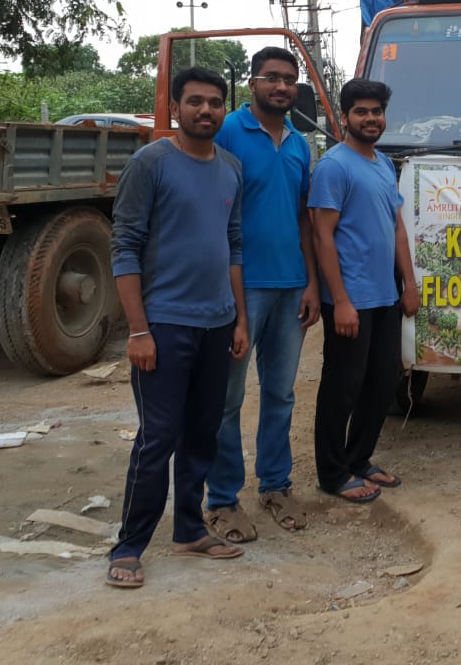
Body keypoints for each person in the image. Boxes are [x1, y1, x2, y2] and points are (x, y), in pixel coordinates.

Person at [105, 67, 250, 588]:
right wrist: (137, 331)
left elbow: (233, 244)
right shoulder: (150, 164)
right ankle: (129, 546)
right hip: (164, 325)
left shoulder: (231, 169)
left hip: (217, 325)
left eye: (214, 102)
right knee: (158, 438)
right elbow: (124, 246)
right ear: (175, 107)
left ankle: (189, 530)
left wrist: (239, 318)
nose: (205, 110)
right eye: (194, 102)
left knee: (202, 434)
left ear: (223, 109)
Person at [205, 47, 320, 543]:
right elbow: (212, 209)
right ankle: (222, 499)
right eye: (272, 77)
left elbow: (303, 218)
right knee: (227, 399)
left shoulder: (298, 143)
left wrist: (312, 281)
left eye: (289, 80)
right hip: (242, 287)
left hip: (291, 286)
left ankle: (275, 486)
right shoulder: (229, 131)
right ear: (252, 83)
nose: (281, 86)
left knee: (280, 393)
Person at [309, 78, 419, 503]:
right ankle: (332, 473)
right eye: (362, 112)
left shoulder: (383, 164)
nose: (371, 119)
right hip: (350, 300)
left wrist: (409, 284)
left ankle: (359, 459)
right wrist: (340, 301)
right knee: (342, 388)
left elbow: (397, 229)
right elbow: (322, 236)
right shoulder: (334, 167)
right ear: (345, 117)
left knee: (381, 383)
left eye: (377, 112)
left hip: (386, 296)